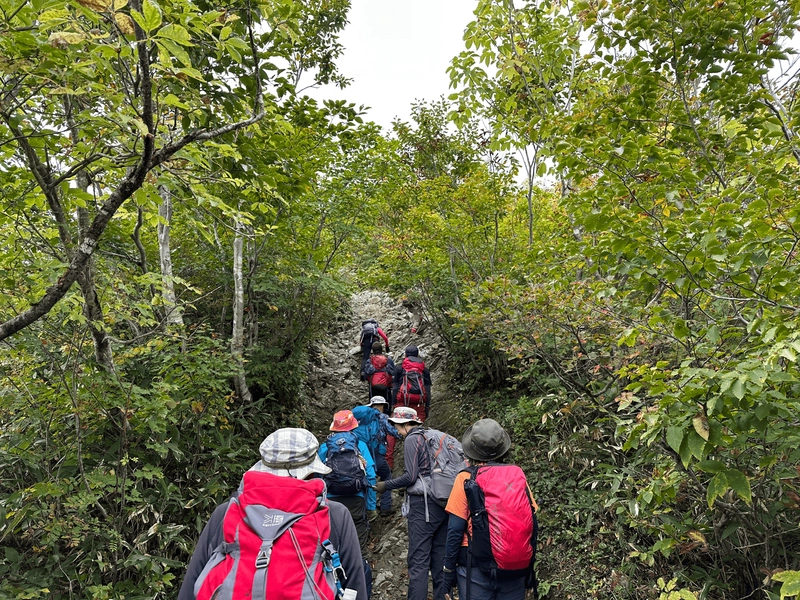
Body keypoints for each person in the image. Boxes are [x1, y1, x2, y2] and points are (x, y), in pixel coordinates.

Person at [178, 428, 368, 600]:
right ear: (312, 471)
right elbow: (355, 585)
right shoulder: (334, 514)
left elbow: (191, 586)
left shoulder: (227, 512)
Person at [442, 419, 539, 600]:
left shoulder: (465, 478)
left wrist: (448, 572)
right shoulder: (517, 475)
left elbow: (455, 530)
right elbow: (533, 524)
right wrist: (529, 572)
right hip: (514, 567)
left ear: (472, 449)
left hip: (475, 568)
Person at [375, 407, 448, 600]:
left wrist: (385, 485)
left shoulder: (412, 439)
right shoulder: (429, 437)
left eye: (398, 427)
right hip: (442, 502)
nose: (398, 432)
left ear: (406, 424)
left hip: (423, 506)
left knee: (418, 561)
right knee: (440, 559)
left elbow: (410, 476)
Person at [319, 410, 377, 597]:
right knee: (358, 549)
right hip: (356, 498)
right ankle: (358, 589)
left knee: (331, 544)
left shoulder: (325, 447)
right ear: (354, 426)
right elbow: (370, 475)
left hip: (330, 502)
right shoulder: (359, 445)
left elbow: (318, 477)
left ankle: (333, 585)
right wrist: (371, 506)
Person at [352, 397, 400, 516]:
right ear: (382, 406)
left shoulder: (359, 418)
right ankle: (385, 507)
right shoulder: (382, 417)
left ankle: (362, 510)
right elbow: (395, 432)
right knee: (386, 476)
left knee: (362, 479)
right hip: (377, 455)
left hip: (360, 454)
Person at [392, 345, 431, 421]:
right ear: (417, 355)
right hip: (419, 403)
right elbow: (428, 390)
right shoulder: (424, 370)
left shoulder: (400, 368)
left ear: (405, 355)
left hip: (402, 402)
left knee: (401, 425)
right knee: (416, 427)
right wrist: (427, 407)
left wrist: (393, 404)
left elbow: (395, 388)